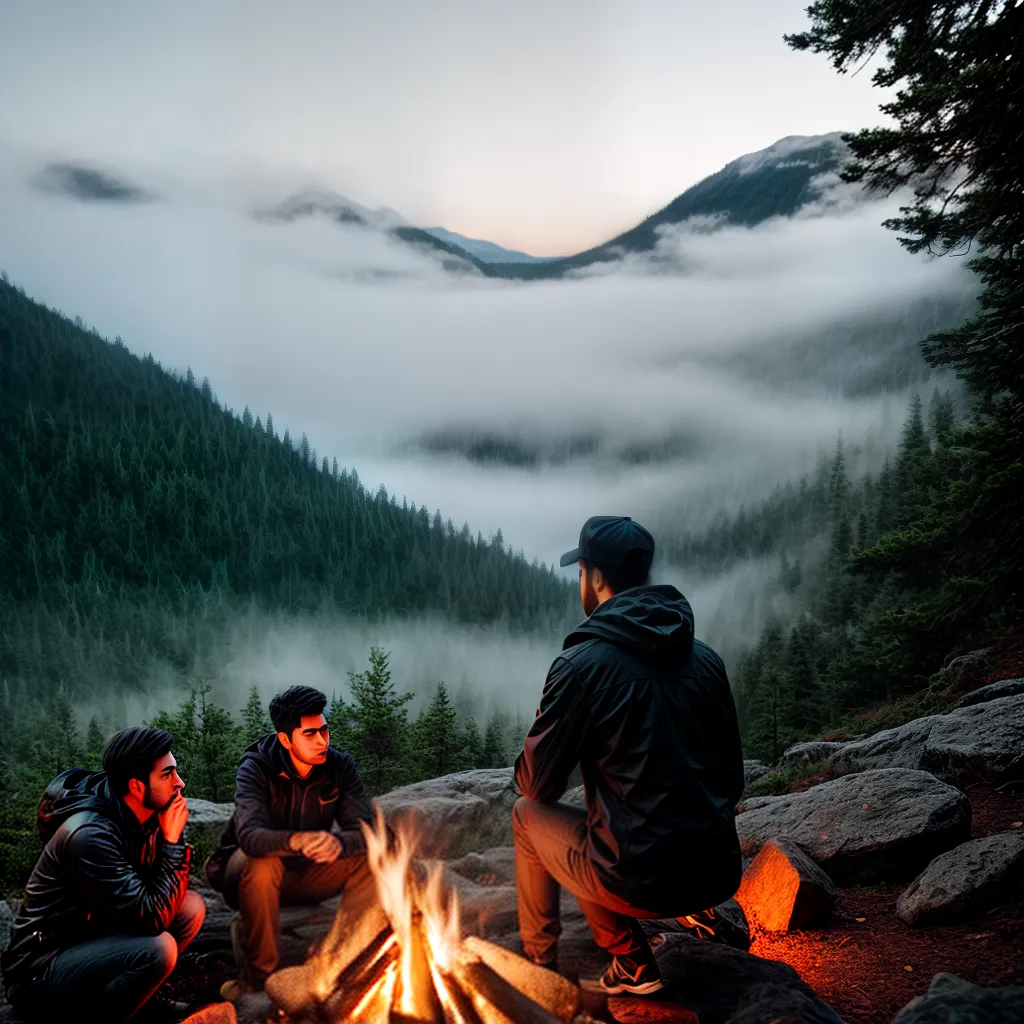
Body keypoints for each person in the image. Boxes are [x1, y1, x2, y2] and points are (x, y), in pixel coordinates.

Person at [513, 515, 745, 996]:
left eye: (581, 572)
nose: (581, 581)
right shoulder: (704, 657)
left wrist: (541, 728)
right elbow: (732, 777)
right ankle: (700, 915)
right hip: (717, 872)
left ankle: (596, 963)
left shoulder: (580, 666)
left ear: (595, 578)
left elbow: (538, 786)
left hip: (639, 883)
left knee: (526, 817)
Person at [1, 726, 206, 1023]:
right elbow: (152, 918)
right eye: (167, 775)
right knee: (158, 950)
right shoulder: (89, 834)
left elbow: (147, 899)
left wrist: (166, 839)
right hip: (42, 969)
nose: (180, 783)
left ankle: (138, 1000)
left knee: (190, 908)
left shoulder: (141, 814)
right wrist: (173, 844)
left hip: (96, 937)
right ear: (136, 786)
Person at [206, 685, 377, 999]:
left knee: (372, 858)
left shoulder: (339, 765)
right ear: (285, 740)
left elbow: (368, 829)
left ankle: (344, 961)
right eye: (310, 734)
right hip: (245, 874)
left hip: (306, 873)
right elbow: (251, 837)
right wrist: (297, 840)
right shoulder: (255, 768)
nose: (322, 741)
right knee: (263, 861)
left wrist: (339, 844)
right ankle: (258, 980)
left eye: (324, 731)